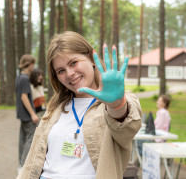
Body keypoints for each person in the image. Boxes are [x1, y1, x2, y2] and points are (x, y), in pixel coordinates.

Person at [17, 31, 142, 179]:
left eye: (73, 63)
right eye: (61, 70)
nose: (69, 73)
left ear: (91, 58)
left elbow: (127, 127)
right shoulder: (55, 108)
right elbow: (32, 162)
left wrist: (116, 104)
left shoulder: (115, 103)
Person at [15, 54, 39, 173]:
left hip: (21, 114)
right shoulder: (25, 79)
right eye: (33, 64)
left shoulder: (20, 77)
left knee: (23, 139)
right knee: (30, 138)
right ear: (28, 64)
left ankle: (20, 163)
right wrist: (33, 114)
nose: (34, 67)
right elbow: (24, 97)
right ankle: (23, 165)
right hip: (27, 114)